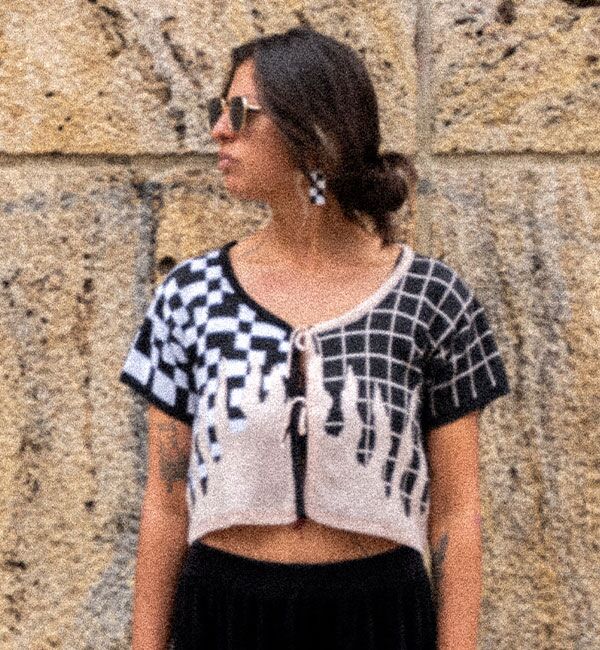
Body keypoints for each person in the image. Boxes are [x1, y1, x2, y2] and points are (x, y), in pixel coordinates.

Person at [119, 26, 511, 650]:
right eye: (219, 110)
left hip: (379, 619)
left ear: (313, 132)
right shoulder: (190, 295)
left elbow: (457, 513)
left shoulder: (431, 299)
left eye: (239, 112)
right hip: (223, 616)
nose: (218, 130)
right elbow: (166, 506)